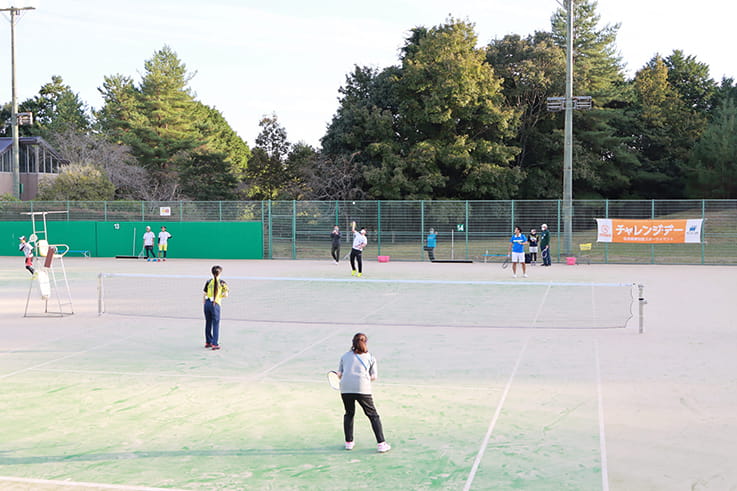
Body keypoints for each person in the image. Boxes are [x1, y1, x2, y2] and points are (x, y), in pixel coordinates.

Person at [336, 332, 391, 453]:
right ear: (365, 342)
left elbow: (339, 374)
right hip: (363, 389)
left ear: (353, 343)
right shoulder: (371, 357)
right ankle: (381, 444)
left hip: (345, 388)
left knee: (349, 413)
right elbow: (374, 377)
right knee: (373, 416)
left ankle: (349, 443)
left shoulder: (344, 356)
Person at [203, 265, 229, 350]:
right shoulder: (222, 283)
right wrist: (219, 297)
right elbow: (226, 294)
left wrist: (205, 302)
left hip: (207, 304)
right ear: (220, 273)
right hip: (215, 304)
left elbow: (204, 294)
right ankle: (215, 343)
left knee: (208, 323)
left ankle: (208, 342)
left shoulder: (208, 281)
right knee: (216, 324)